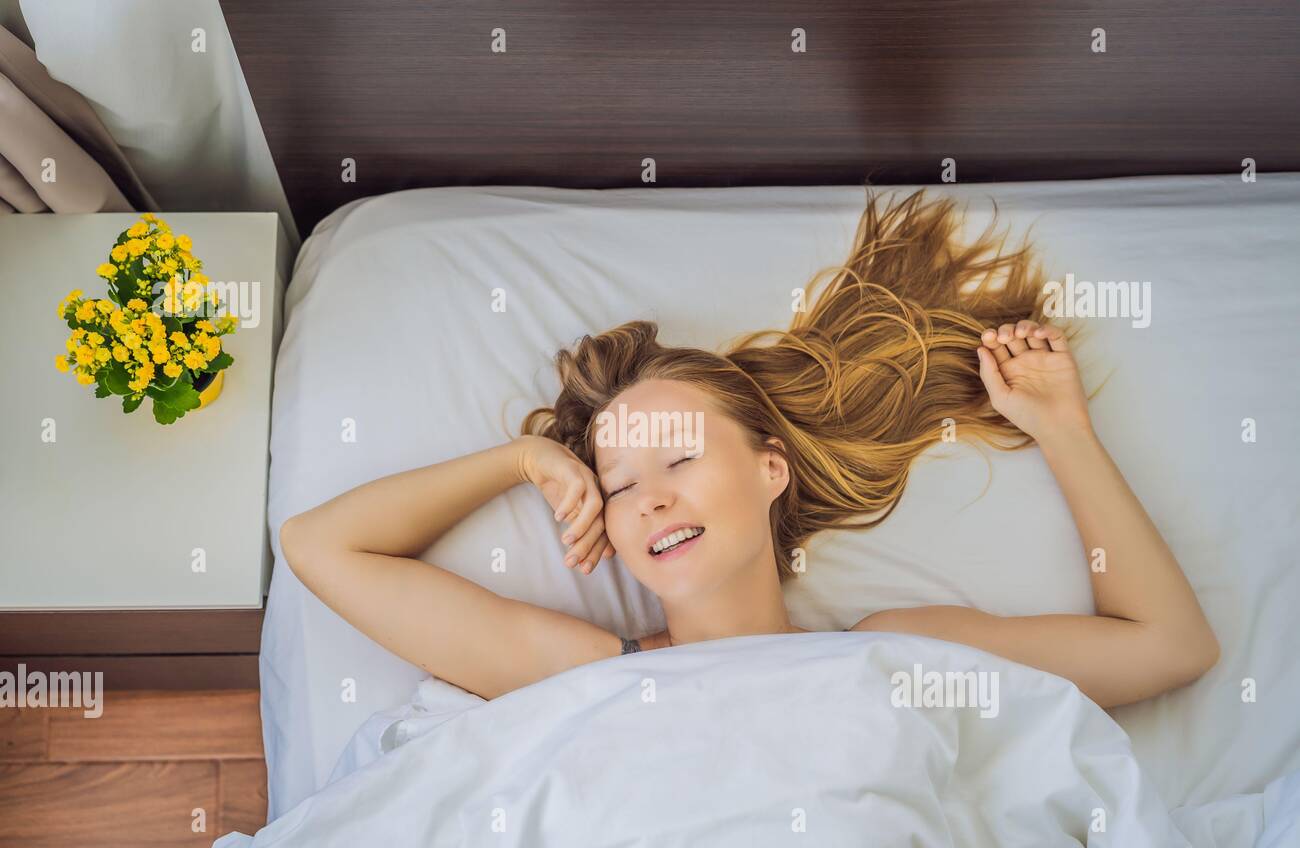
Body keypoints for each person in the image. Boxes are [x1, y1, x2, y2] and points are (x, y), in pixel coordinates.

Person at [279, 192, 1219, 706]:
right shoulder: (590, 673)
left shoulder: (898, 653)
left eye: (678, 457)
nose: (646, 498)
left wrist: (1063, 431)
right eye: (618, 483)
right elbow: (319, 548)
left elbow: (1171, 648)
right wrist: (522, 463)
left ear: (771, 469)